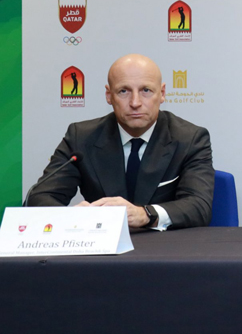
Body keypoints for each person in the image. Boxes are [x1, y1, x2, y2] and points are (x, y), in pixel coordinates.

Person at [26, 54, 214, 229]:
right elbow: (40, 196)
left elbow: (199, 206)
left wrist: (145, 214)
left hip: (165, 250)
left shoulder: (190, 139)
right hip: (100, 250)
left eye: (146, 90)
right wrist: (72, 217)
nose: (135, 102)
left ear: (162, 93)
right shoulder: (81, 137)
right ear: (109, 96)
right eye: (123, 91)